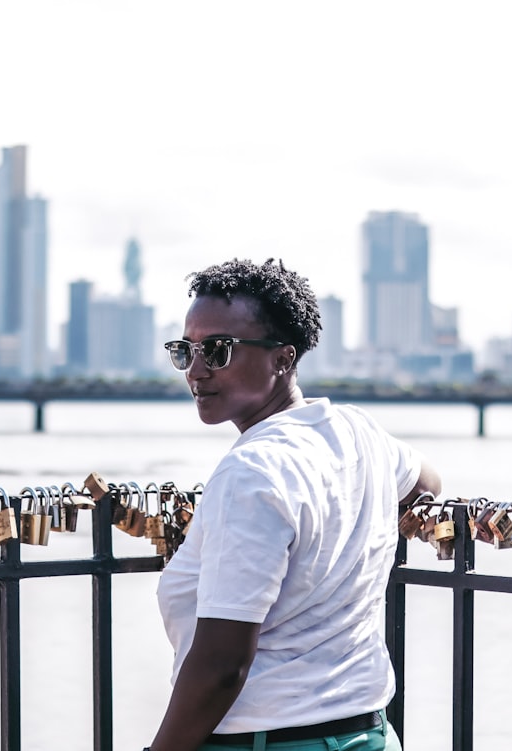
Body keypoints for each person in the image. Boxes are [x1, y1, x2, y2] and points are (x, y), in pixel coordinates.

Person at [146, 258, 441, 751]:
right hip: (366, 733)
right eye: (186, 350)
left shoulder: (252, 472)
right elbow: (425, 484)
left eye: (217, 351)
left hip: (269, 740)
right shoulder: (356, 431)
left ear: (283, 359)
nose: (196, 370)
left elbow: (222, 665)